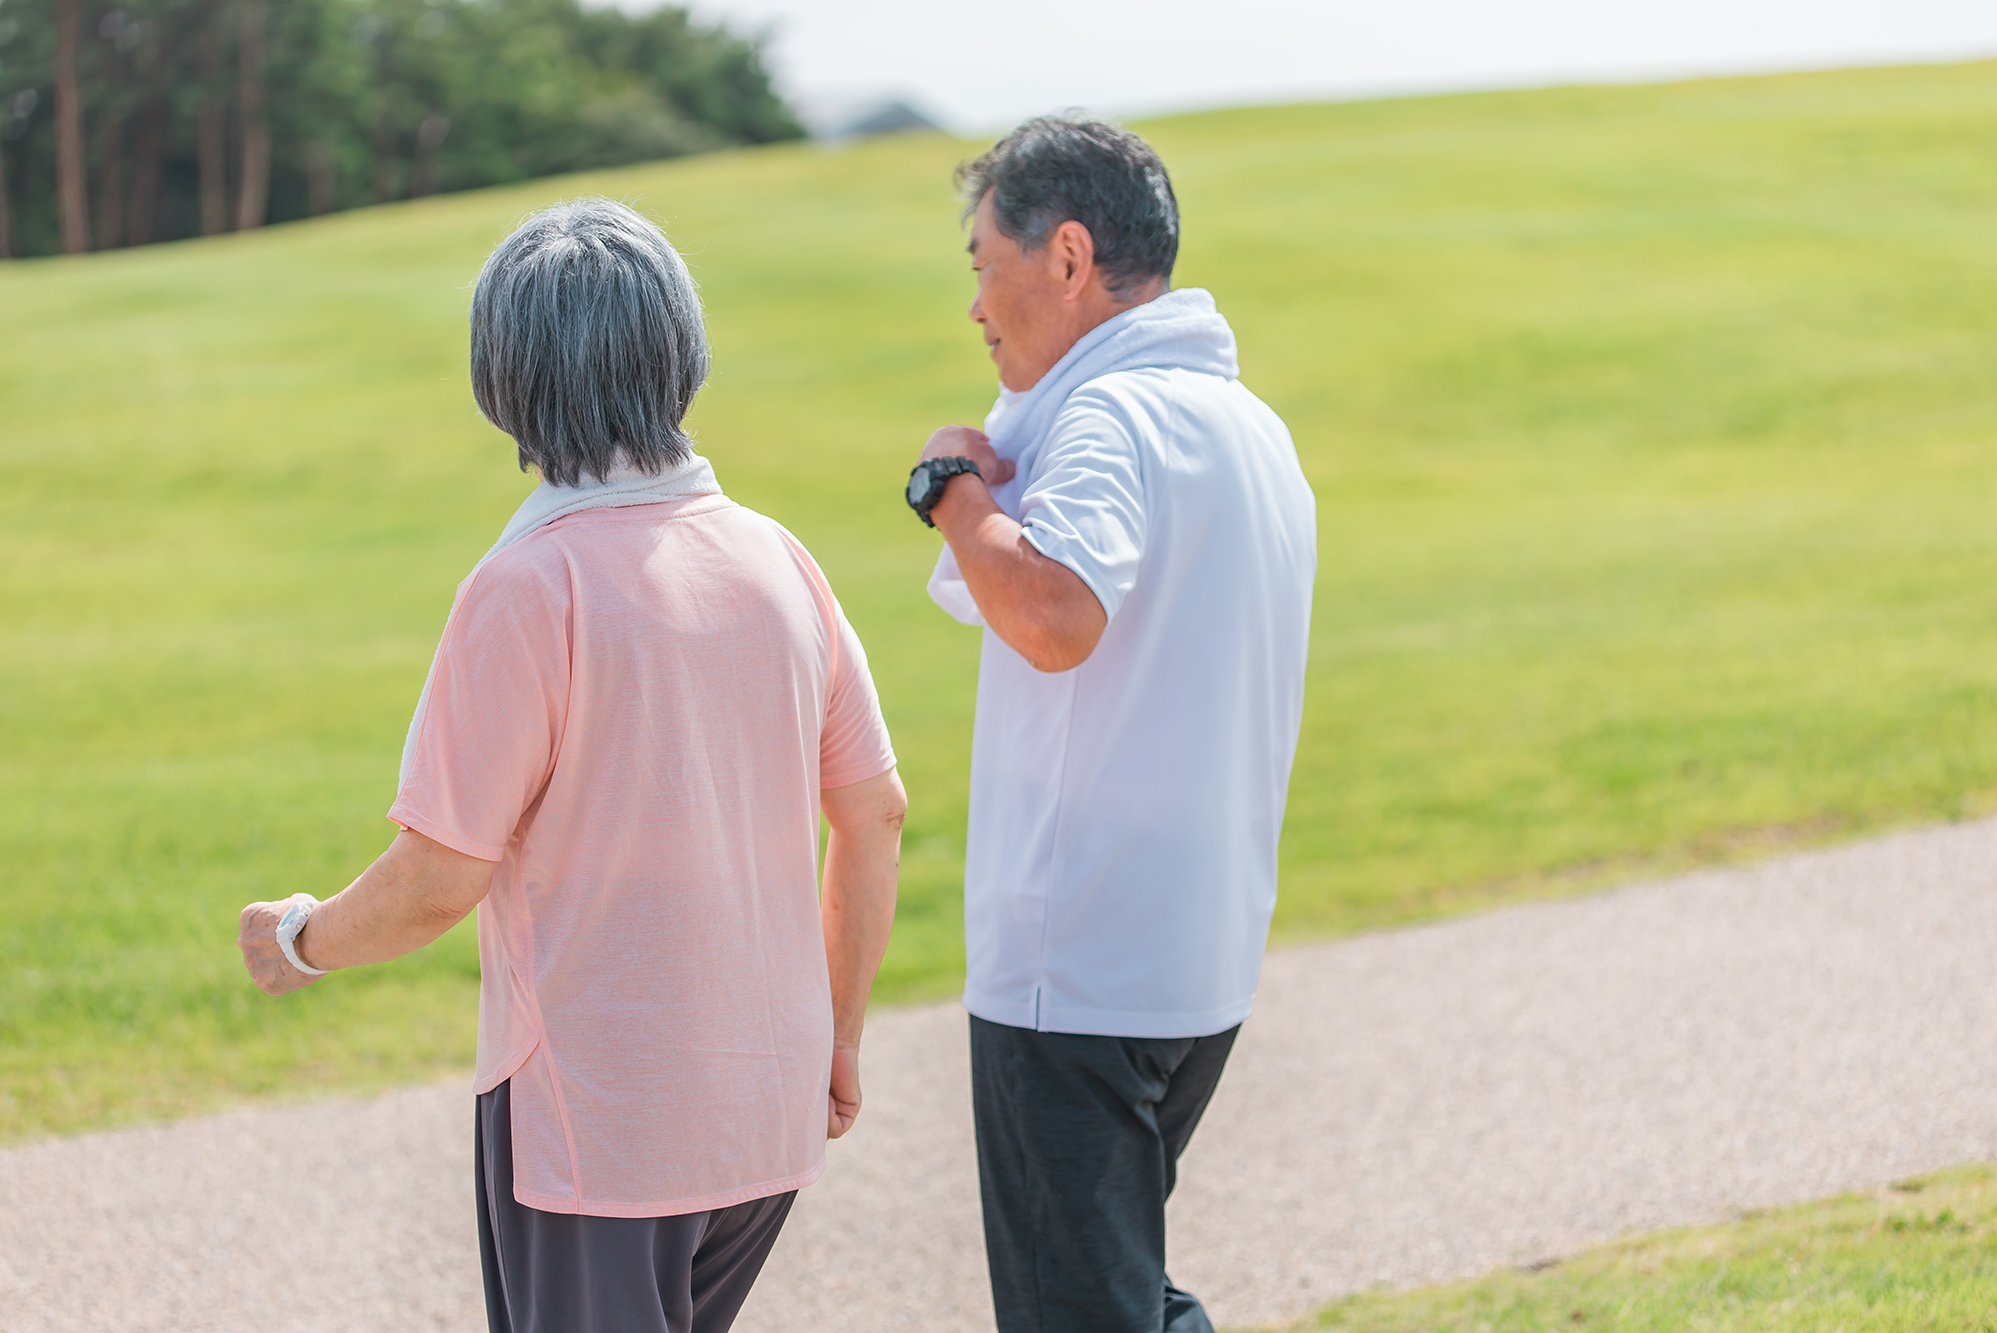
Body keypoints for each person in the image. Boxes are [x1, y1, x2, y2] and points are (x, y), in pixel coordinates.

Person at [237, 197, 907, 1333]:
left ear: (504, 378)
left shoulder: (525, 589)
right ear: (679, 351)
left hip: (600, 1128)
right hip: (764, 1111)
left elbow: (437, 879)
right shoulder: (777, 559)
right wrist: (836, 1034)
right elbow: (875, 813)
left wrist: (301, 940)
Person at [903, 117, 1317, 1332]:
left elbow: (1051, 616)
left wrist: (948, 485)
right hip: (1194, 962)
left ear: (1067, 256)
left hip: (1074, 970)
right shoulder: (1251, 429)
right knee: (1117, 1291)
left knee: (1079, 1312)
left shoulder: (1107, 417)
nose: (977, 305)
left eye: (984, 263)